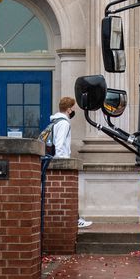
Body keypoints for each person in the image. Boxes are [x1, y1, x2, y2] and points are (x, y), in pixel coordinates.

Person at [46, 97, 93, 229]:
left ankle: (75, 218)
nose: (74, 111)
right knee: (67, 195)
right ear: (68, 109)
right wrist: (63, 163)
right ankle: (75, 220)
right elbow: (59, 144)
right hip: (61, 162)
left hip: (55, 160)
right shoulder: (64, 123)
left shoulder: (56, 121)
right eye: (73, 108)